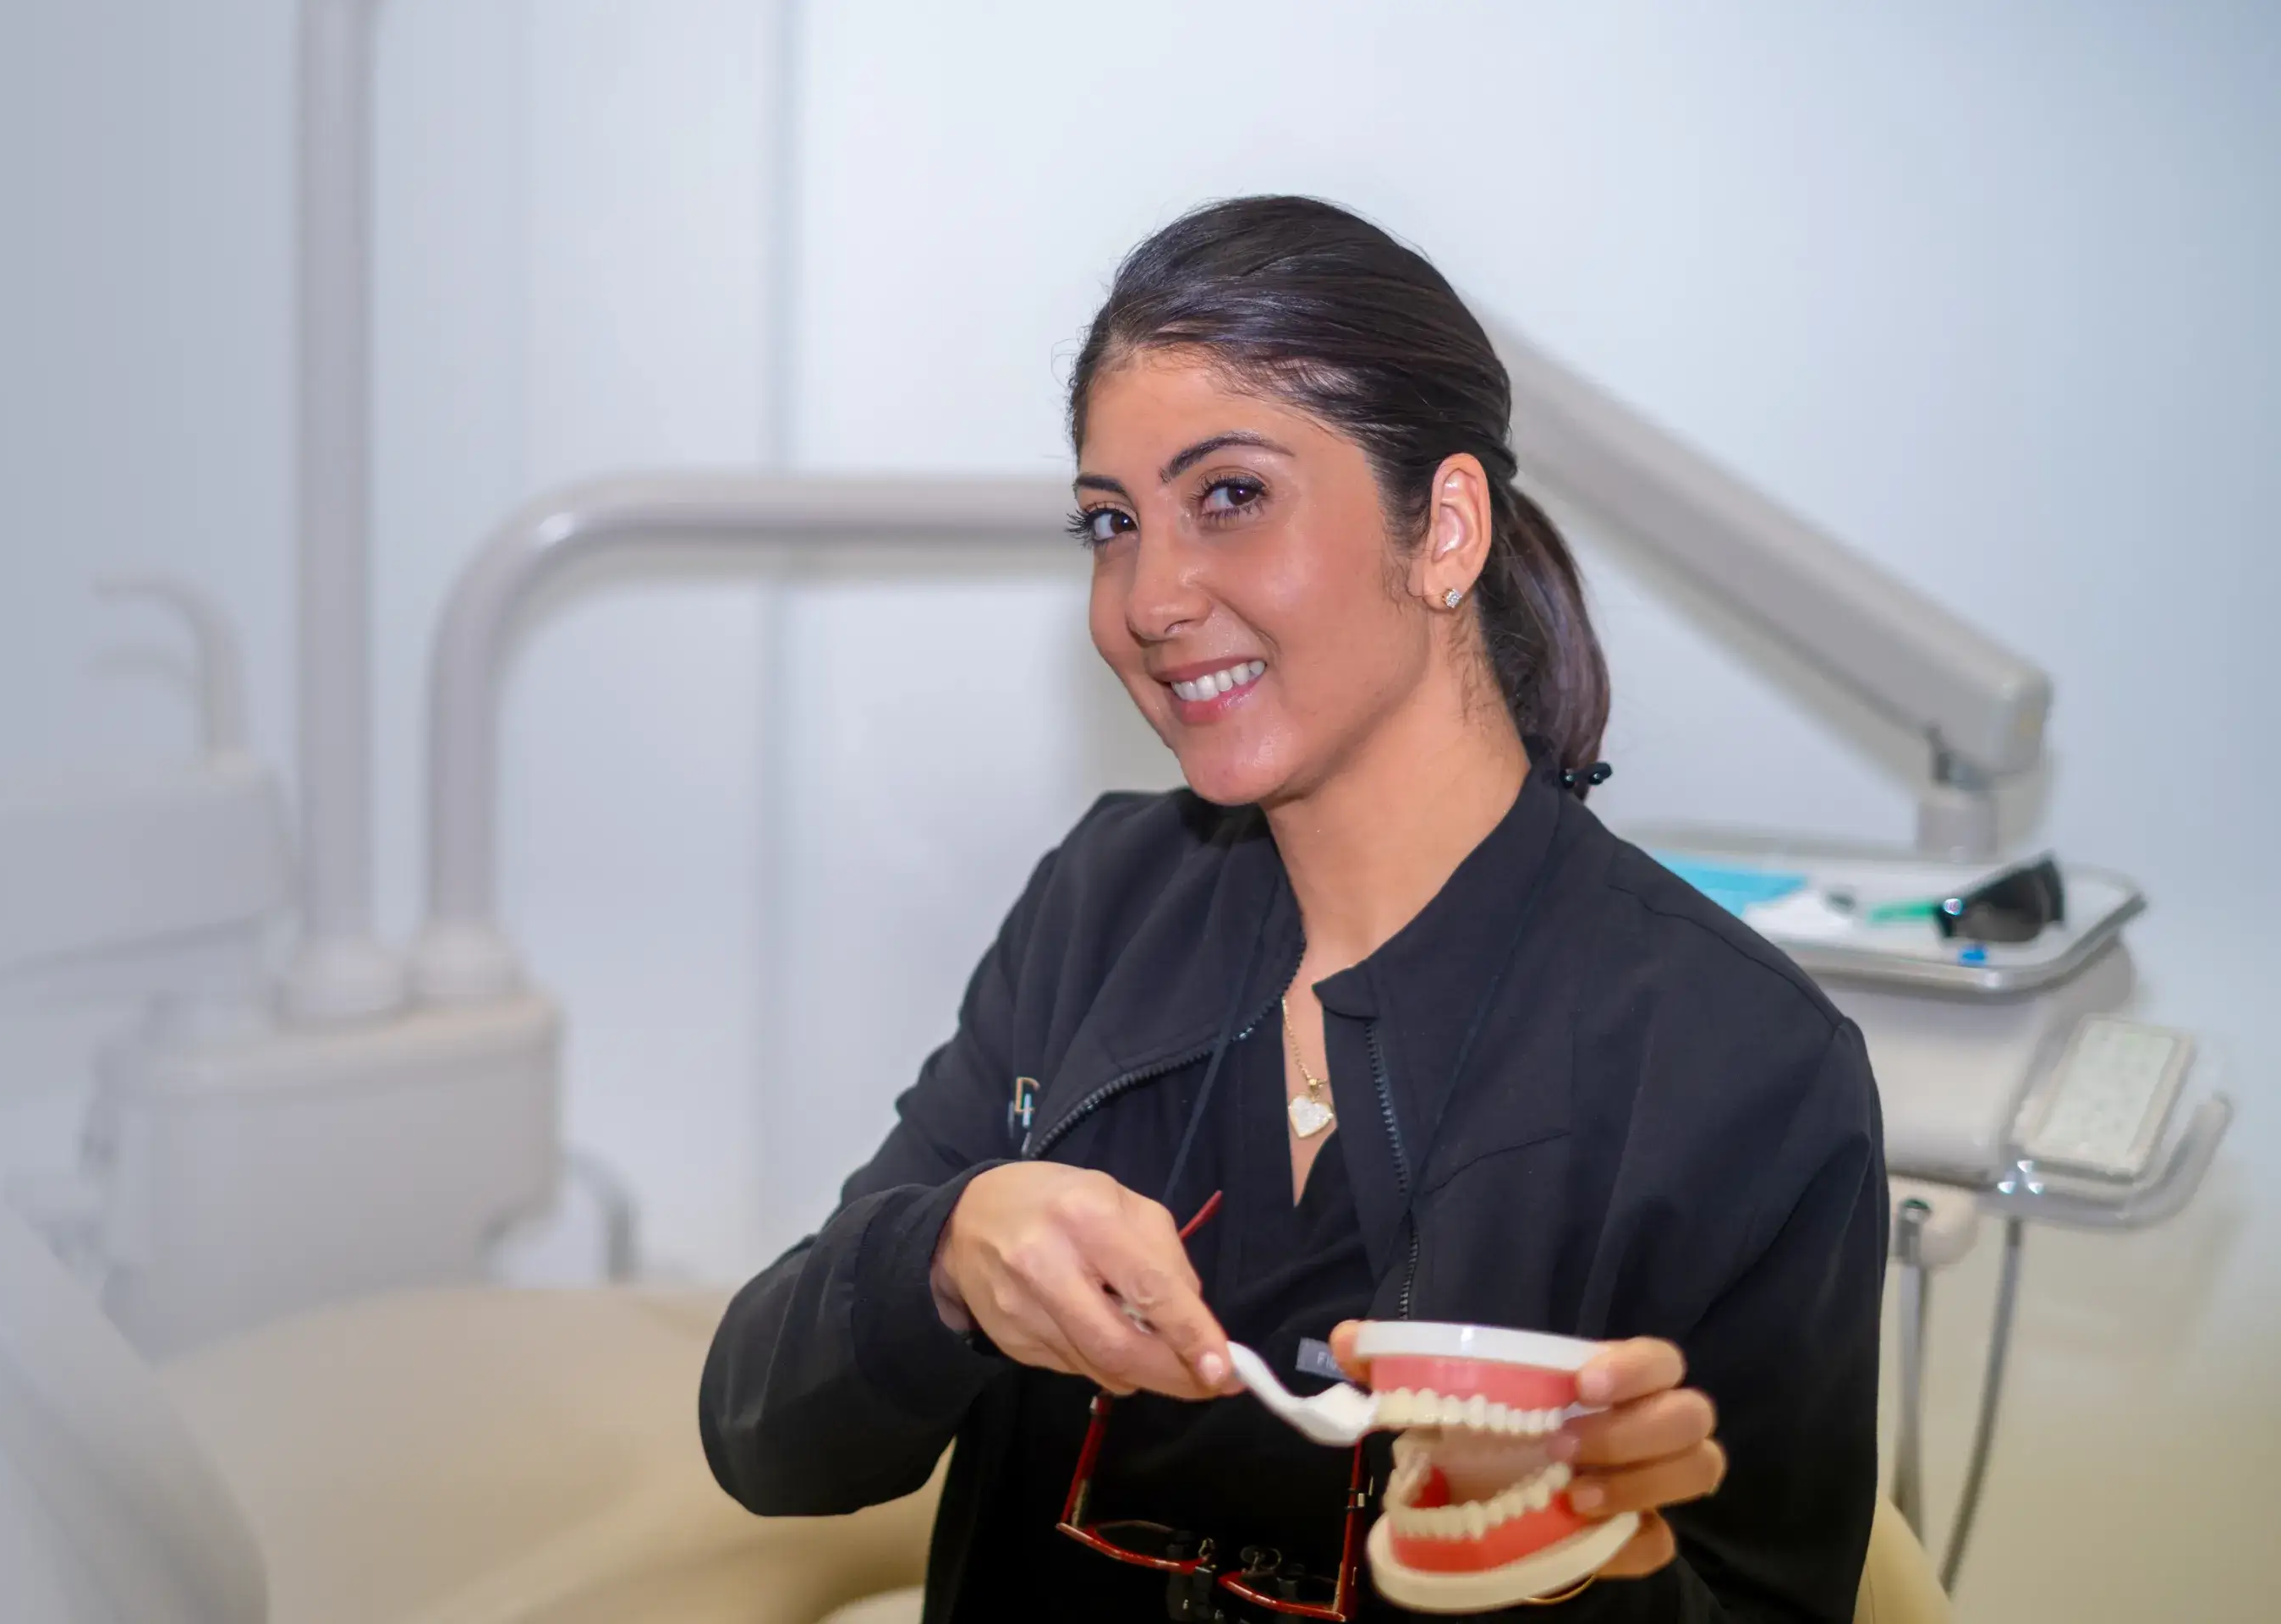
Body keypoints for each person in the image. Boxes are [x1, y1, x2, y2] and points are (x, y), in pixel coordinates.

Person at [698, 196, 1885, 1621]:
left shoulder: (1746, 1069)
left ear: (1445, 527)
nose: (1147, 596)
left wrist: (1567, 1575)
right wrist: (945, 1259)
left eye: (1232, 497)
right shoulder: (1108, 901)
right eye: (1109, 523)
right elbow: (763, 1432)